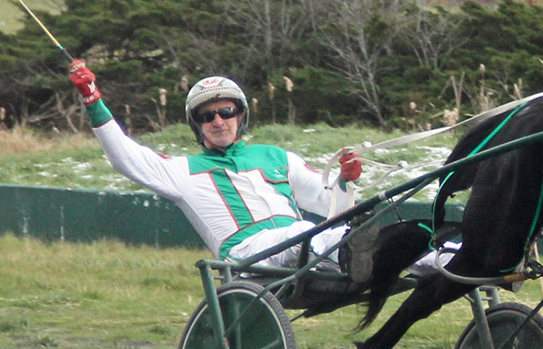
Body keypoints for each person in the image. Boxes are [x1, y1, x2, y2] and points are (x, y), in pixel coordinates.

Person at [68, 60, 376, 282]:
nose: (218, 121)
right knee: (303, 233)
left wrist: (346, 181)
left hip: (303, 247)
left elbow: (331, 205)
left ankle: (420, 262)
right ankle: (354, 258)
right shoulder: (182, 171)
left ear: (240, 116)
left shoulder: (278, 156)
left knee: (357, 233)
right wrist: (93, 100)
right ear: (197, 125)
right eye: (207, 116)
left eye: (226, 112)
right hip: (248, 255)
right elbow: (124, 157)